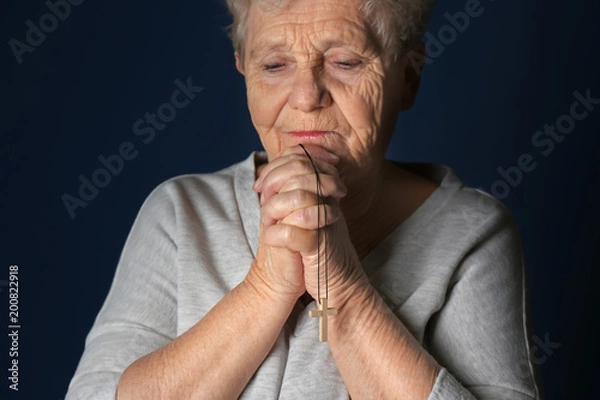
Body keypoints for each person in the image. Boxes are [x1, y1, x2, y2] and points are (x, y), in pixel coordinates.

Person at [66, 0, 542, 398]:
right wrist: (265, 289)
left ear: (409, 77)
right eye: (274, 65)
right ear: (244, 71)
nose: (306, 96)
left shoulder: (472, 234)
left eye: (345, 62)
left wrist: (345, 290)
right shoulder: (179, 213)